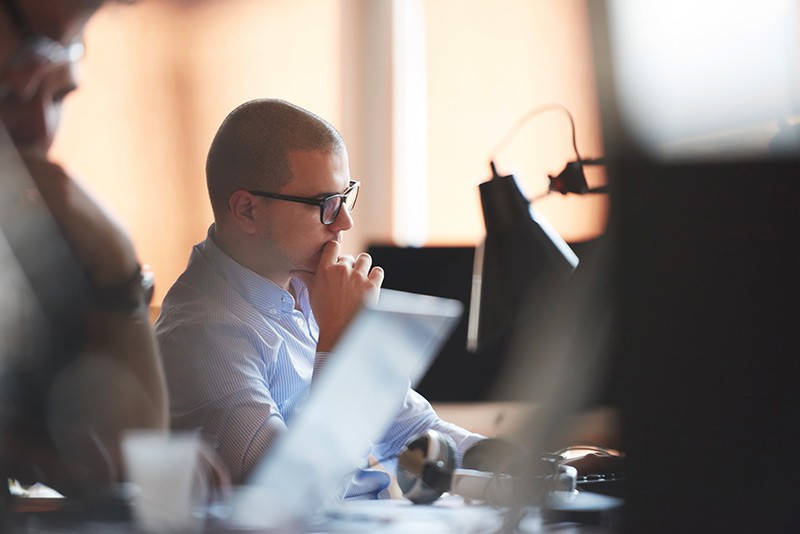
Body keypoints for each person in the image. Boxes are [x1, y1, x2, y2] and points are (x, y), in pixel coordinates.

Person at [155, 98, 484, 497]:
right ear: (247, 211)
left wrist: (529, 464)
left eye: (345, 197)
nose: (345, 222)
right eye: (325, 205)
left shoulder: (308, 288)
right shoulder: (200, 335)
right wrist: (340, 342)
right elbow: (292, 496)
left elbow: (409, 428)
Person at [0, 0, 168, 499]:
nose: (41, 130)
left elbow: (128, 451)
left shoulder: (31, 242)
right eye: (10, 91)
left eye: (60, 96)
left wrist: (117, 265)